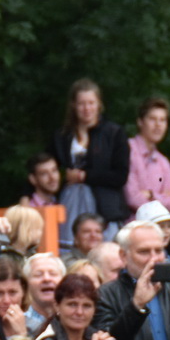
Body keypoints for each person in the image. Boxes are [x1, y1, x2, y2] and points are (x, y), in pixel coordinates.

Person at [52, 79, 130, 247]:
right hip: (69, 202)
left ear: (99, 104)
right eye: (81, 104)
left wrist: (85, 176)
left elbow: (120, 176)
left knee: (104, 252)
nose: (86, 108)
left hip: (104, 207)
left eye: (91, 103)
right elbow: (47, 168)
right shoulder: (62, 136)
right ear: (73, 105)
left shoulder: (114, 133)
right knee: (68, 248)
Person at [124, 97, 170, 217]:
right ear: (140, 122)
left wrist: (152, 195)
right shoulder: (128, 150)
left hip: (156, 226)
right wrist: (163, 198)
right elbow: (132, 198)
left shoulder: (163, 162)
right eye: (152, 119)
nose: (158, 125)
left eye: (162, 120)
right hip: (129, 224)